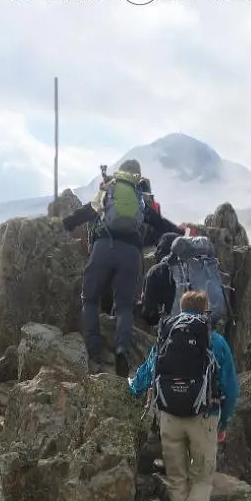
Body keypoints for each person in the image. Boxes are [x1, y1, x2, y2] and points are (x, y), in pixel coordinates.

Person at [128, 290, 239, 501]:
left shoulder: (168, 334)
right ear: (205, 311)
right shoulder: (215, 340)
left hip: (169, 417)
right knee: (201, 477)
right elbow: (230, 388)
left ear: (181, 308)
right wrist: (223, 421)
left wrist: (132, 388)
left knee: (176, 479)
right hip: (204, 418)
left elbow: (147, 372)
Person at [63, 159, 182, 377]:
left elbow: (88, 212)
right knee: (125, 307)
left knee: (89, 298)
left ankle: (94, 350)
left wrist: (66, 223)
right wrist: (180, 233)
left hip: (103, 248)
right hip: (130, 254)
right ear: (136, 175)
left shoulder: (109, 189)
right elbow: (159, 223)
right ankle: (121, 350)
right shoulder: (140, 198)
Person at [137, 233, 229, 330]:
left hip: (176, 330)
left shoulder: (156, 272)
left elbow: (148, 313)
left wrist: (158, 319)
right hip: (207, 326)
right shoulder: (198, 267)